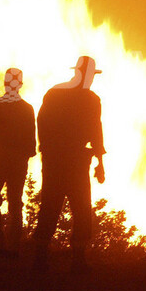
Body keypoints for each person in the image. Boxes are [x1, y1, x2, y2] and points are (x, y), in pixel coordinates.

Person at [33, 56, 106, 273]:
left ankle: (42, 257)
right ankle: (76, 260)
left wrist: (46, 149)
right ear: (82, 74)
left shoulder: (55, 93)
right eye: (90, 74)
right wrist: (99, 162)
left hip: (57, 159)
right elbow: (96, 131)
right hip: (74, 159)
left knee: (52, 205)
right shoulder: (91, 99)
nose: (91, 79)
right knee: (80, 208)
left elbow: (42, 122)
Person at [0, 68, 36, 256]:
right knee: (15, 201)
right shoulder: (26, 109)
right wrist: (22, 160)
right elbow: (31, 143)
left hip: (0, 156)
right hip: (16, 158)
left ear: (5, 83)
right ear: (20, 84)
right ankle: (12, 247)